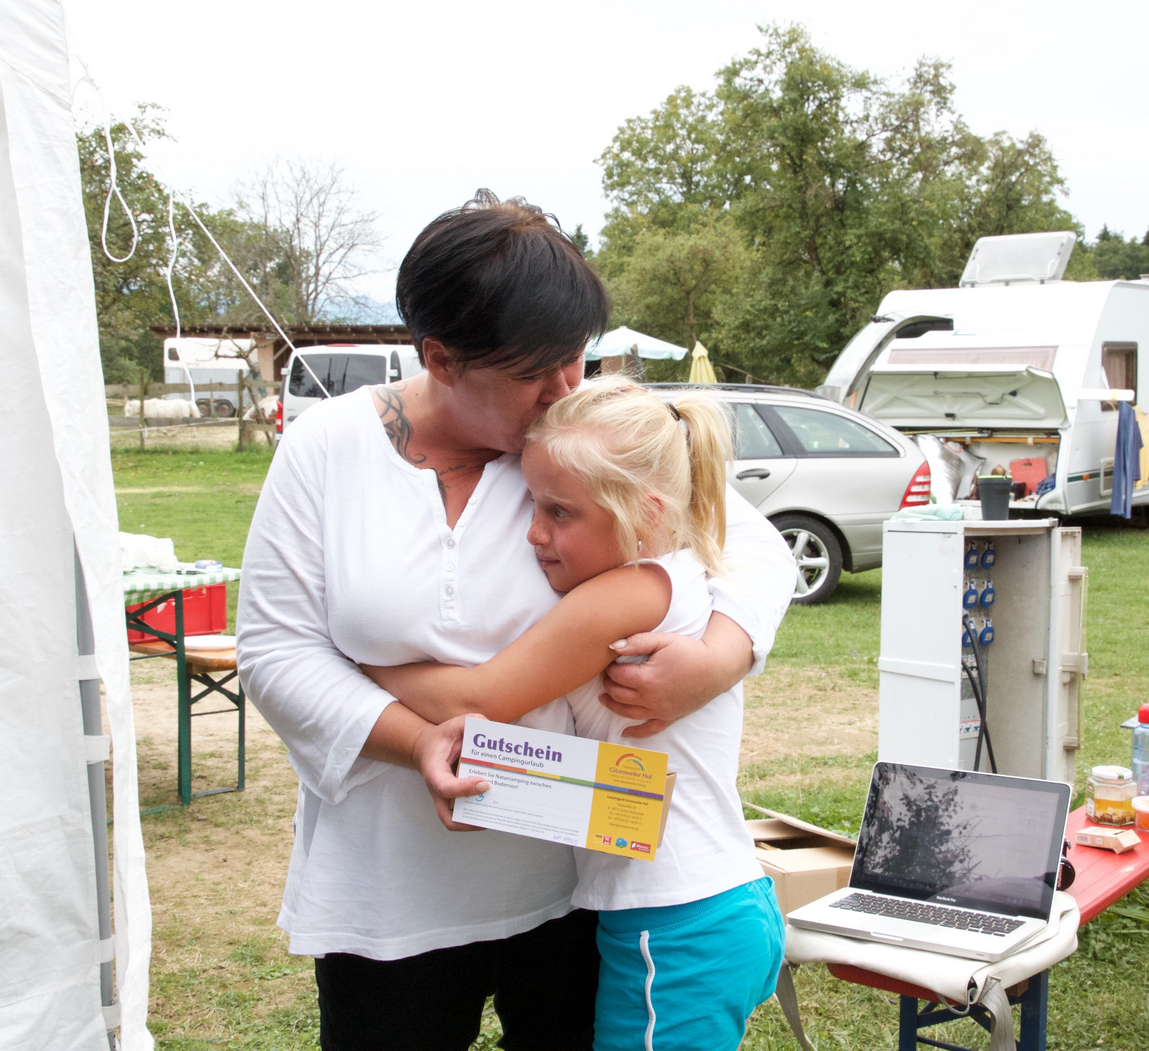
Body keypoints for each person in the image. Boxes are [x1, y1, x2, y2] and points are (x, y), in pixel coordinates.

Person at [236, 191, 795, 1051]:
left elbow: (743, 541)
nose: (566, 386)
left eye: (576, 357)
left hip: (576, 889)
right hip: (391, 893)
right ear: (442, 359)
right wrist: (413, 740)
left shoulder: (576, 444)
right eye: (537, 369)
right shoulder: (327, 449)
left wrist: (718, 656)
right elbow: (275, 652)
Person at [361, 377, 785, 1051]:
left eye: (560, 512)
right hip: (708, 903)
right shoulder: (678, 575)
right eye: (533, 504)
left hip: (674, 921)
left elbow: (481, 701)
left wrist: (361, 654)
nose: (534, 533)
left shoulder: (630, 593)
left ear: (647, 513)